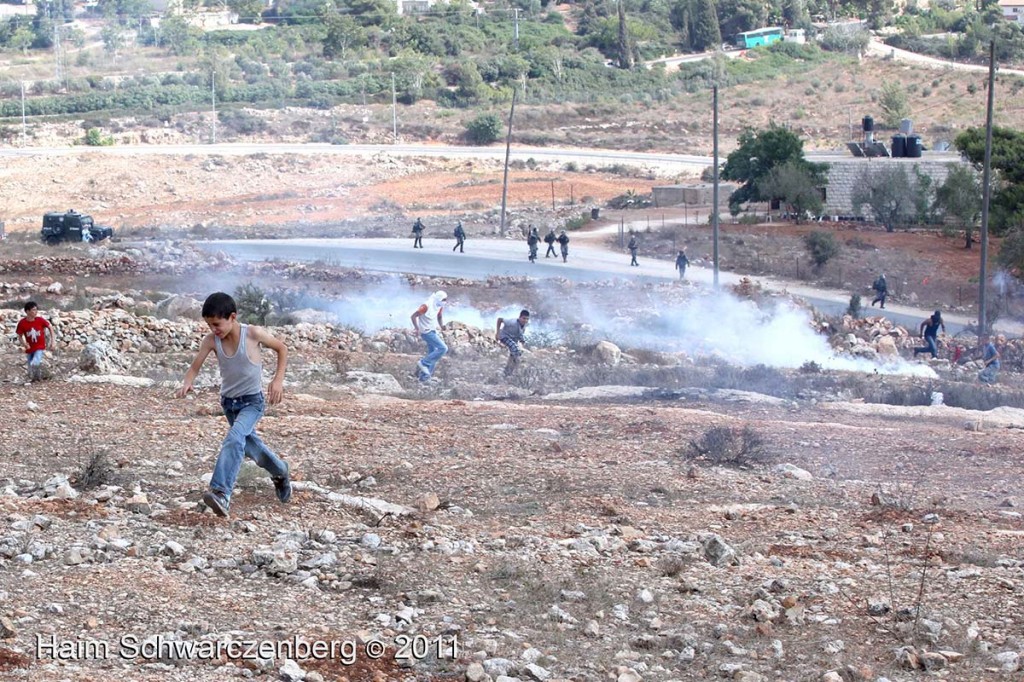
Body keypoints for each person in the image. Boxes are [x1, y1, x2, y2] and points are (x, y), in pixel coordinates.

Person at [176, 292, 292, 518]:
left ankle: (221, 493)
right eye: (209, 325)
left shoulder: (253, 334)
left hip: (252, 403)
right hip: (229, 405)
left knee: (234, 439)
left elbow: (282, 349)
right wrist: (187, 383)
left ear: (232, 317)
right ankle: (280, 471)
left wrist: (277, 380)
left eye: (217, 324)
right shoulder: (211, 341)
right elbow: (194, 367)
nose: (214, 330)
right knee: (252, 448)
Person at [412, 290, 448, 382]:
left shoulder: (438, 305)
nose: (445, 301)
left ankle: (424, 378)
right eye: (444, 299)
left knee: (433, 354)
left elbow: (439, 316)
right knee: (443, 348)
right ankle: (423, 363)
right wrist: (417, 329)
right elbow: (413, 316)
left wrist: (441, 325)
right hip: (426, 332)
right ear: (439, 298)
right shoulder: (426, 306)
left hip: (432, 330)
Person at [16, 301, 53, 382]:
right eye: (33, 310)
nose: (35, 312)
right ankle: (36, 379)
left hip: (39, 347)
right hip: (30, 348)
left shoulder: (40, 320)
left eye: (36, 310)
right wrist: (24, 344)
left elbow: (50, 327)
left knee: (35, 362)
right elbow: (19, 336)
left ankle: (41, 376)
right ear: (27, 311)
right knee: (30, 369)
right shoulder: (22, 323)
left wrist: (53, 342)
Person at [496, 310, 530, 378]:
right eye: (523, 318)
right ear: (519, 317)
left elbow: (521, 333)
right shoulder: (512, 322)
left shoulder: (525, 325)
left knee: (513, 354)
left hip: (514, 338)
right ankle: (514, 370)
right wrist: (497, 333)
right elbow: (499, 319)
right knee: (516, 350)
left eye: (527, 319)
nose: (525, 320)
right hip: (505, 336)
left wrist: (522, 340)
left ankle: (508, 371)